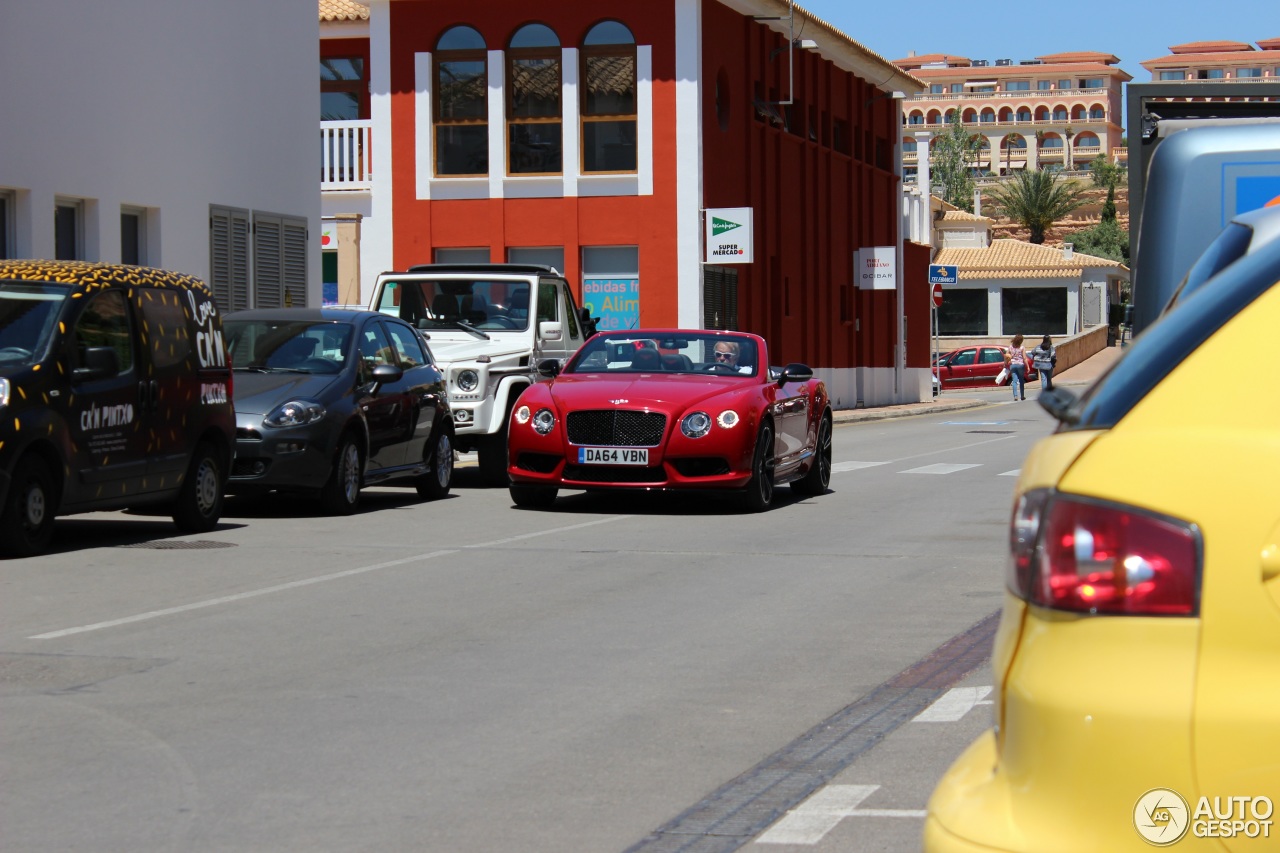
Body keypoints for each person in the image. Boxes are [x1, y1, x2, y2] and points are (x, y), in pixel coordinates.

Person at [1006, 333, 1028, 401]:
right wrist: (1028, 366)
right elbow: (1024, 358)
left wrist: (1006, 362)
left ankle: (1015, 396)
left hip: (1013, 365)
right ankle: (1022, 395)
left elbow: (1006, 355)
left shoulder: (1010, 347)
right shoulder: (1022, 348)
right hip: (1020, 365)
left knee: (1014, 381)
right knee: (1021, 380)